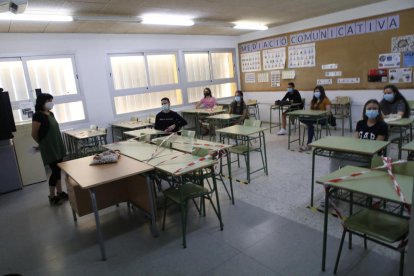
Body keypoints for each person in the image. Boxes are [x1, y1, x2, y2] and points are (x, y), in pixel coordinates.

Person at [31, 93, 68, 206]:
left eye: (52, 100)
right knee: (55, 171)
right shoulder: (37, 115)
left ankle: (60, 192)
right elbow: (34, 134)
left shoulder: (50, 113)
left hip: (57, 146)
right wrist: (42, 144)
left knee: (58, 171)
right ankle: (52, 196)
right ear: (42, 102)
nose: (51, 102)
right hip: (49, 148)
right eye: (49, 100)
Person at [299, 85, 331, 152]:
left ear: (321, 92)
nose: (316, 93)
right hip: (313, 119)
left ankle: (309, 145)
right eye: (315, 91)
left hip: (322, 119)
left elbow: (328, 113)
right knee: (301, 118)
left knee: (310, 125)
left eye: (317, 91)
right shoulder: (313, 101)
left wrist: (320, 114)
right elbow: (310, 111)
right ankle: (309, 143)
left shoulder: (326, 100)